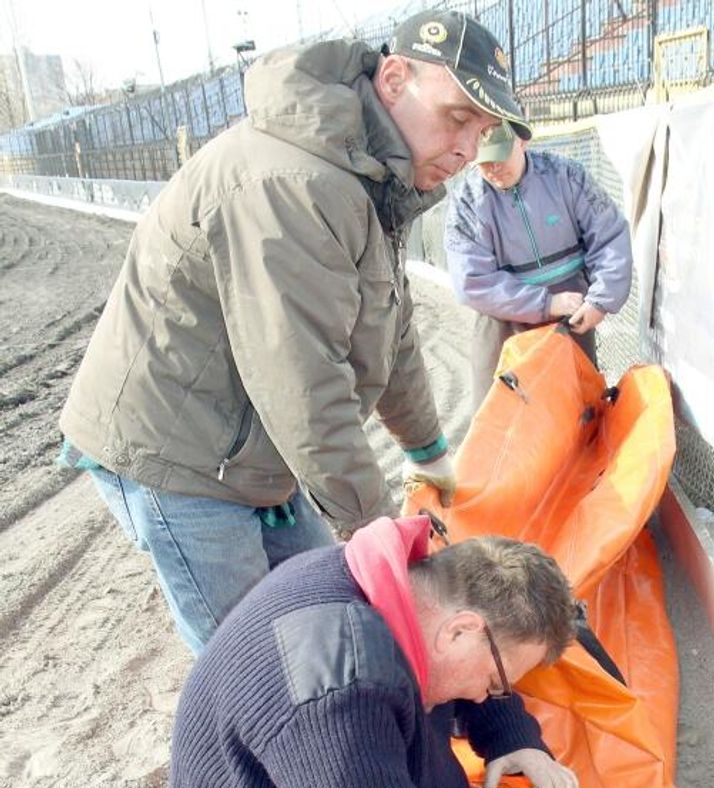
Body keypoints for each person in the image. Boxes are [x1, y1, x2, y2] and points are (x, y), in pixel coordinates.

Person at [58, 10, 532, 654]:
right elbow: (303, 385)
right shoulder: (295, 183)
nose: (469, 149)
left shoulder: (371, 177)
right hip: (180, 450)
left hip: (250, 447)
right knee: (254, 659)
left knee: (326, 615)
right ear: (394, 79)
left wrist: (427, 450)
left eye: (485, 130)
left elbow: (390, 330)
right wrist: (381, 538)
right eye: (457, 118)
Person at [161, 516, 579, 788]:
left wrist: (512, 738)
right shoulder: (339, 690)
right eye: (493, 682)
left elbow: (476, 656)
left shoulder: (410, 590)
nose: (483, 697)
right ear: (459, 631)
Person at [445, 121, 633, 407]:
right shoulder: (467, 201)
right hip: (503, 326)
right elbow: (471, 281)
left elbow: (609, 236)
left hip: (572, 320)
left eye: (500, 155)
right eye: (484, 162)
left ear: (523, 141)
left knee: (576, 414)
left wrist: (600, 300)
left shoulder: (567, 176)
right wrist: (545, 303)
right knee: (500, 421)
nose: (493, 168)